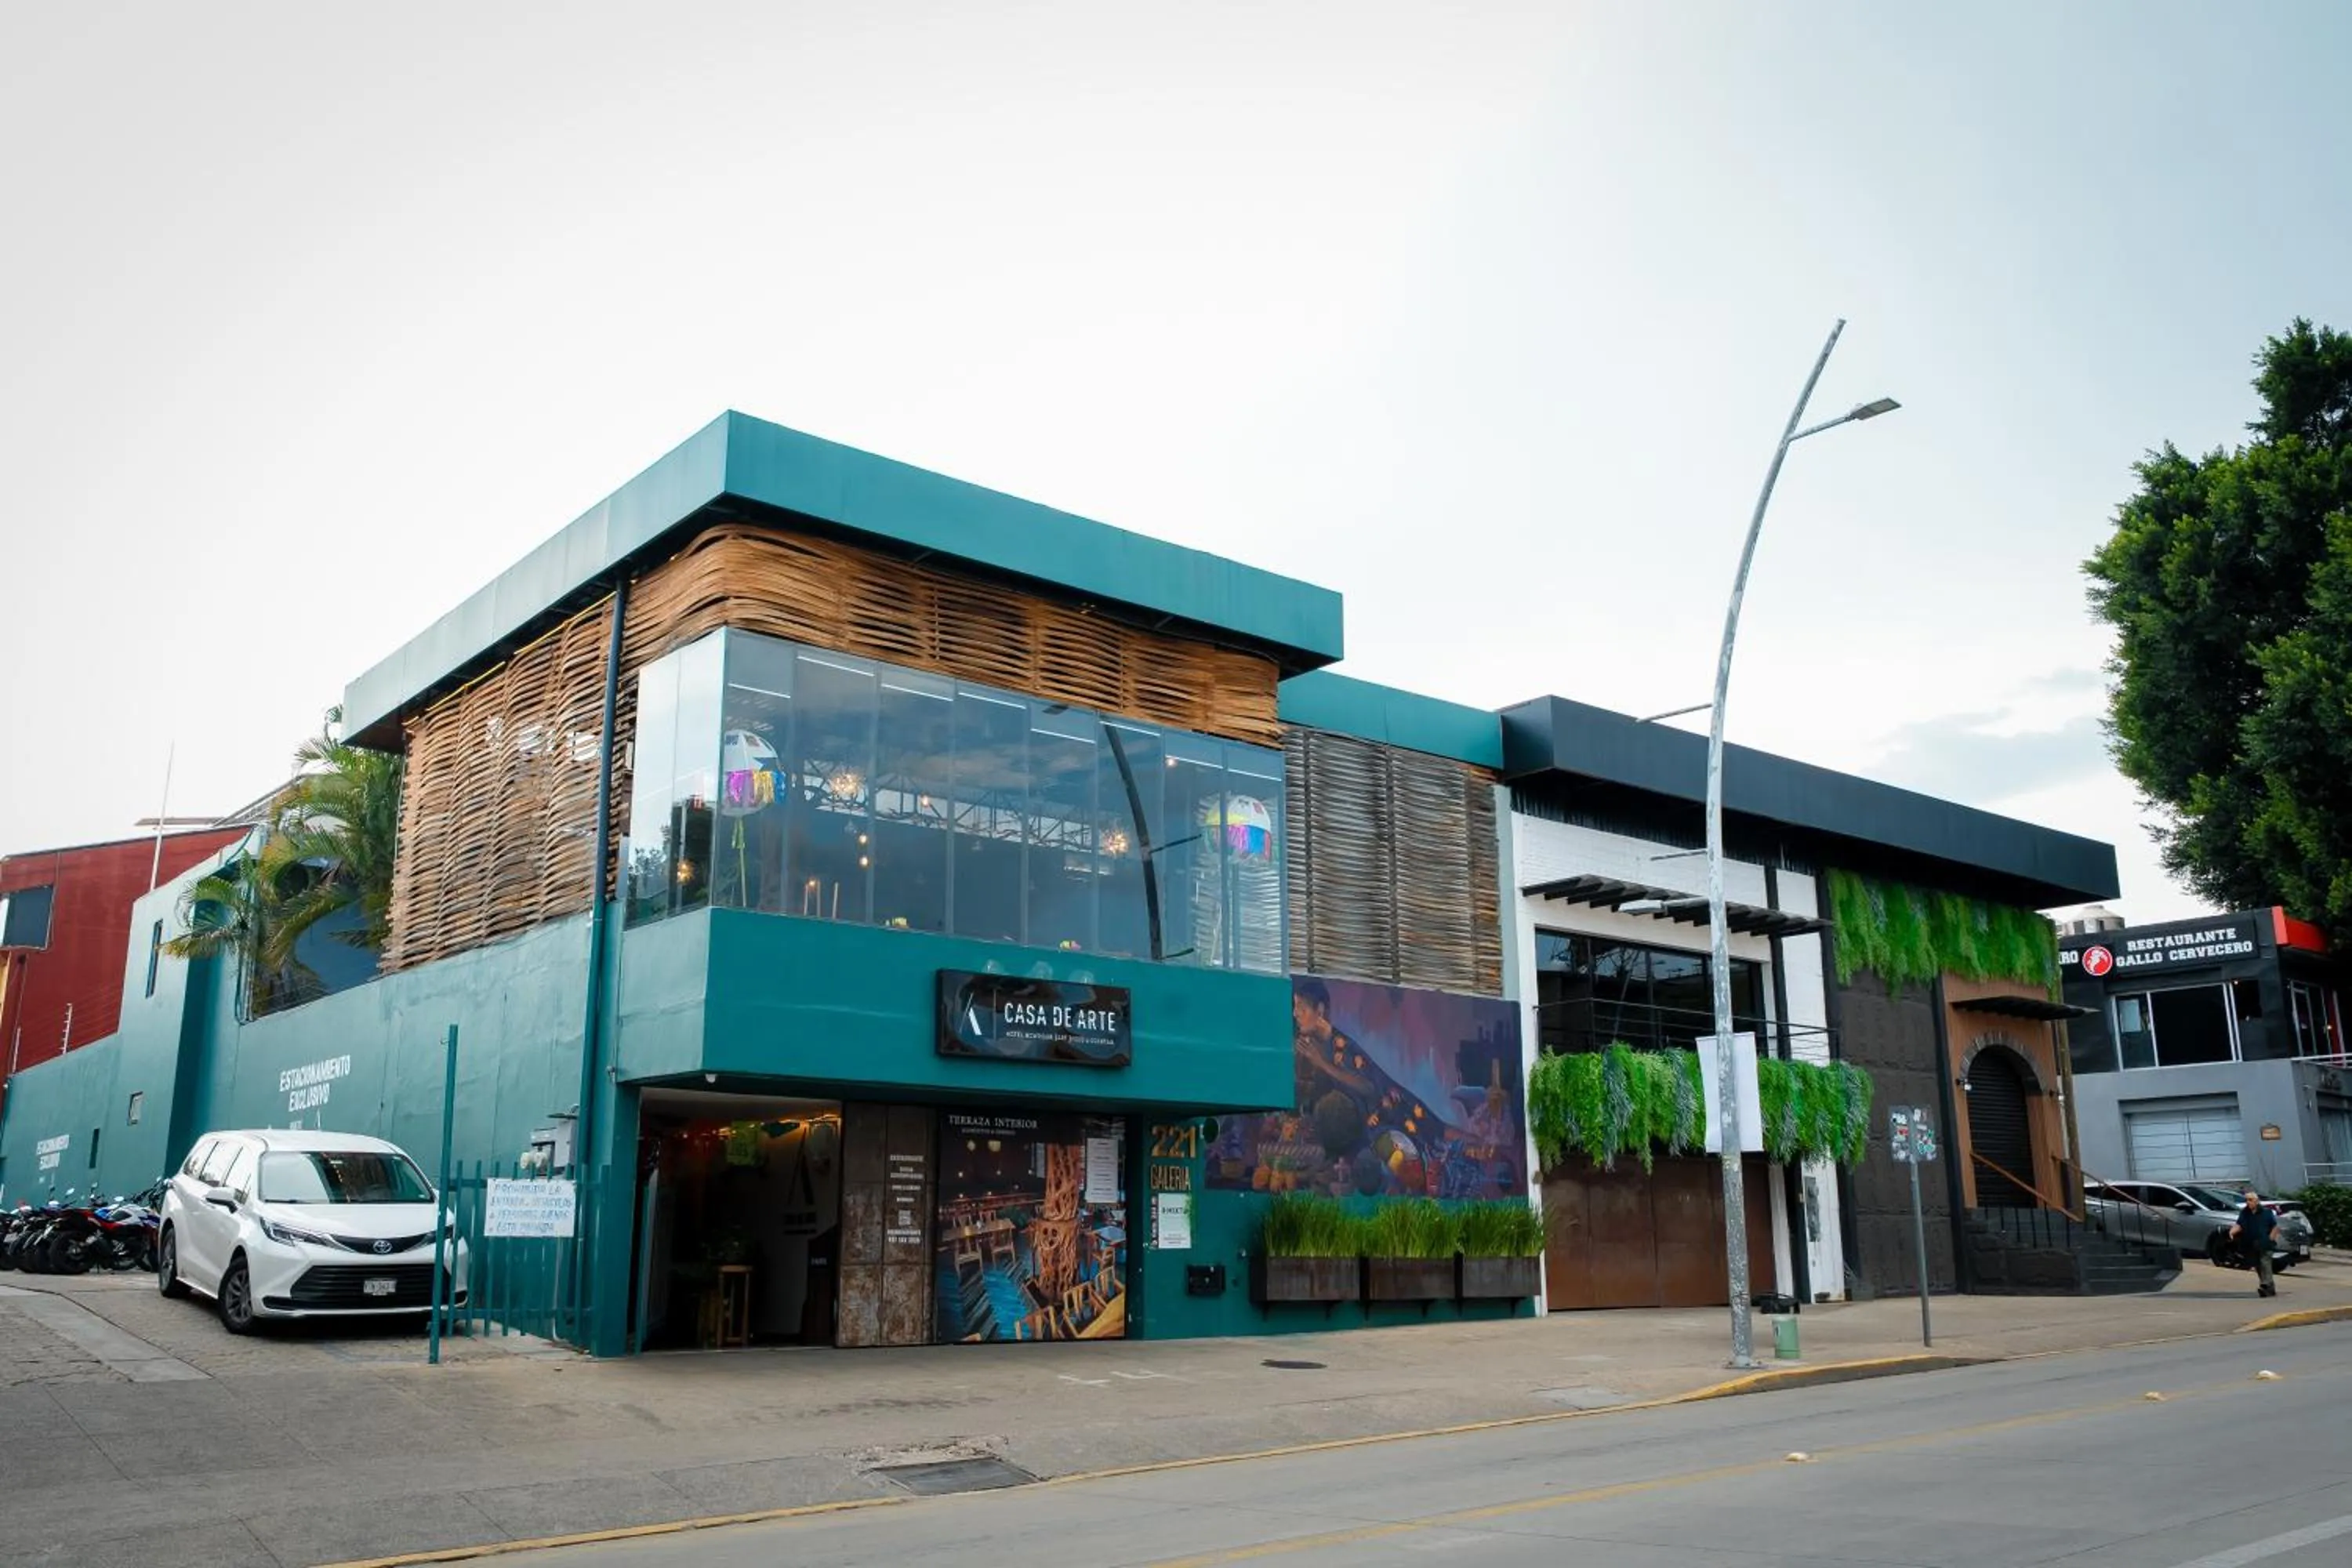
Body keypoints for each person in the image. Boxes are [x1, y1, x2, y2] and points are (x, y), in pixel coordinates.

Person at [2229, 1189, 2279, 1298]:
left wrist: (2271, 1238)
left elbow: (2275, 1226)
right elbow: (2239, 1225)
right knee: (2258, 1265)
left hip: (2265, 1243)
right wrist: (2232, 1232)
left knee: (2265, 1262)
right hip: (2251, 1243)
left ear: (2257, 1201)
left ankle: (2265, 1284)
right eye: (2247, 1200)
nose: (2248, 1202)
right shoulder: (2245, 1213)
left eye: (2251, 1200)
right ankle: (2269, 1288)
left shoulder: (2266, 1213)